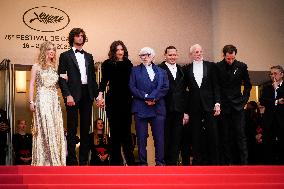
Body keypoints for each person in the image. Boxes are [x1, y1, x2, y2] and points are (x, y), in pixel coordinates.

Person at [58, 28, 99, 166]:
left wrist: (97, 95)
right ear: (72, 38)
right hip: (72, 95)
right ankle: (71, 160)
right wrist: (67, 95)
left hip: (87, 94)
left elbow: (93, 79)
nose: (80, 38)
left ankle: (83, 160)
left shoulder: (89, 56)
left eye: (82, 36)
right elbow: (62, 78)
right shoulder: (65, 55)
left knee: (86, 128)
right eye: (77, 36)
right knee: (72, 127)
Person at [96, 40, 134, 165]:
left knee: (127, 133)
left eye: (122, 49)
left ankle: (130, 162)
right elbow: (103, 82)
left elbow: (133, 83)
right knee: (115, 132)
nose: (120, 52)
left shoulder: (129, 64)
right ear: (113, 51)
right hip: (112, 101)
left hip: (127, 101)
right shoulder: (107, 64)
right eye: (117, 50)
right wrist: (100, 96)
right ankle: (115, 163)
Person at [129, 47, 169, 166]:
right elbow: (132, 87)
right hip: (140, 107)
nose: (144, 57)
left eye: (146, 55)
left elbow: (165, 88)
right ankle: (143, 164)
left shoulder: (162, 71)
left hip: (158, 108)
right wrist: (147, 96)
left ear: (153, 56)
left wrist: (154, 98)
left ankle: (160, 163)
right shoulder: (134, 70)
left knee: (159, 138)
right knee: (141, 138)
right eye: (141, 55)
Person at [29, 41, 66, 166]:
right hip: (42, 98)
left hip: (54, 100)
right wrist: (31, 101)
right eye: (49, 49)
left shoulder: (55, 67)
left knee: (54, 128)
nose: (52, 51)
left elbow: (57, 85)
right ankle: (44, 161)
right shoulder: (36, 66)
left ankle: (54, 161)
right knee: (45, 127)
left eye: (54, 49)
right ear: (44, 50)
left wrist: (64, 78)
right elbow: (32, 84)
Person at [183, 44, 221, 165]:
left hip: (209, 105)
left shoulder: (211, 66)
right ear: (191, 55)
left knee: (213, 133)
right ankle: (197, 162)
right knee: (195, 134)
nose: (199, 54)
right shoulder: (186, 68)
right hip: (193, 106)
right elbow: (184, 91)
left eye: (200, 51)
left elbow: (216, 86)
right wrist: (185, 111)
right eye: (196, 52)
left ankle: (214, 162)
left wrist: (217, 103)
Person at [216, 44, 252, 165]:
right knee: (225, 136)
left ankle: (244, 163)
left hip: (238, 106)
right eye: (228, 59)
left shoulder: (242, 66)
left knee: (240, 135)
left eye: (232, 58)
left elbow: (248, 85)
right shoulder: (218, 66)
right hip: (224, 106)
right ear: (224, 55)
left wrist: (244, 100)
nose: (230, 61)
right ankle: (227, 164)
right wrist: (218, 103)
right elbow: (216, 87)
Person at [158, 46, 189, 165]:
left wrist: (185, 111)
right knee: (165, 137)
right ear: (165, 55)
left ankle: (172, 164)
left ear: (177, 55)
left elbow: (184, 92)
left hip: (179, 110)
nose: (172, 57)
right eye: (170, 55)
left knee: (176, 138)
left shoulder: (182, 70)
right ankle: (163, 164)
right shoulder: (159, 69)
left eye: (174, 55)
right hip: (164, 109)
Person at [259, 65, 284, 164]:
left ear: (282, 74)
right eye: (271, 74)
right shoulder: (267, 87)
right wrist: (276, 102)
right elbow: (262, 100)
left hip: (282, 121)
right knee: (268, 145)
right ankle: (269, 167)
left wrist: (277, 88)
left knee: (282, 145)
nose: (272, 76)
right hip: (269, 121)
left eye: (275, 73)